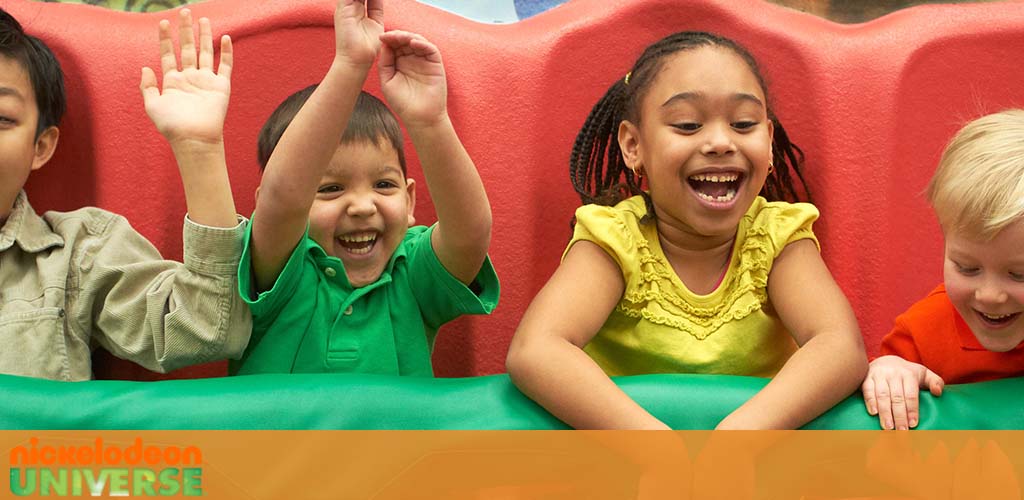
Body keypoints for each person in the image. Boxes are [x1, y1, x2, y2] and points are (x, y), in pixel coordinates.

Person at [506, 31, 866, 429]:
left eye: (743, 124)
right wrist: (657, 449)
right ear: (633, 145)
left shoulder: (776, 235)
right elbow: (536, 349)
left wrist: (738, 438)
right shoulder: (616, 238)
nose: (719, 141)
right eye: (688, 124)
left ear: (769, 141)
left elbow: (839, 347)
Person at [231, 0, 498, 375]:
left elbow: (470, 234)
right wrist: (350, 65)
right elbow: (284, 196)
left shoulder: (411, 272)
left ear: (410, 200)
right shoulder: (279, 269)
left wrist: (430, 121)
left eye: (383, 185)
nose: (361, 205)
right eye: (330, 189)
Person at [0, 8, 250, 380]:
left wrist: (199, 149)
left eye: (2, 118)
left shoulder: (77, 256)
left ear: (41, 146)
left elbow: (207, 327)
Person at [862, 109, 1024, 430]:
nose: (990, 295)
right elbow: (879, 387)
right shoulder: (925, 330)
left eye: (1019, 274)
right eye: (967, 268)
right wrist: (891, 371)